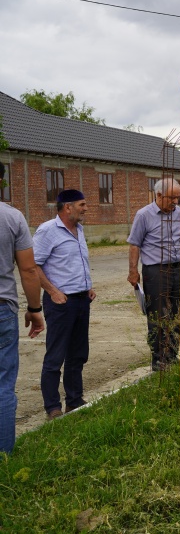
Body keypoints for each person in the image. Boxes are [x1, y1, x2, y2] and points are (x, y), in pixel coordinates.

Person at [126, 178, 180, 371]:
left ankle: (172, 356)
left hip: (175, 269)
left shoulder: (178, 213)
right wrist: (133, 271)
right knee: (158, 314)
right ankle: (159, 360)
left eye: (177, 198)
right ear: (158, 195)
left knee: (174, 313)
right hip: (155, 271)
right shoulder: (144, 215)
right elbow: (134, 244)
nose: (175, 201)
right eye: (171, 198)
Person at [34, 189, 95, 420]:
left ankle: (74, 401)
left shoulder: (79, 230)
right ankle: (53, 407)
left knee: (78, 354)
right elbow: (33, 266)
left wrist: (87, 286)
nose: (86, 208)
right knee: (55, 356)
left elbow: (75, 263)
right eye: (82, 204)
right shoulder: (48, 231)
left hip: (81, 300)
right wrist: (52, 291)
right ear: (67, 207)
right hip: (61, 303)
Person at [0, 162, 44, 454]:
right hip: (2, 307)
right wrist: (34, 308)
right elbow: (28, 270)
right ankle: (3, 456)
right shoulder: (12, 217)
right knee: (3, 385)